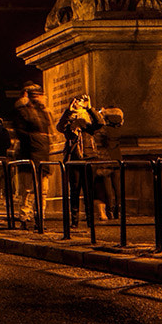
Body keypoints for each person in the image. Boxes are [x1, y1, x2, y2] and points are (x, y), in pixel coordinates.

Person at [56, 95, 105, 226]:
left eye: (80, 101)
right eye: (75, 101)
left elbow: (100, 123)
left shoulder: (88, 123)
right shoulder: (69, 121)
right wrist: (69, 111)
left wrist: (89, 108)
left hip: (88, 156)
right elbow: (59, 127)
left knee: (89, 189)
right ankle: (75, 220)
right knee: (75, 190)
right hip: (74, 158)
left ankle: (90, 219)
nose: (78, 103)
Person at [12, 81, 54, 221]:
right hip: (30, 153)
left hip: (43, 154)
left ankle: (40, 215)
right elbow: (20, 131)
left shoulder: (44, 112)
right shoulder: (23, 112)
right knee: (29, 189)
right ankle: (25, 215)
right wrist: (36, 138)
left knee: (43, 190)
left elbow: (50, 130)